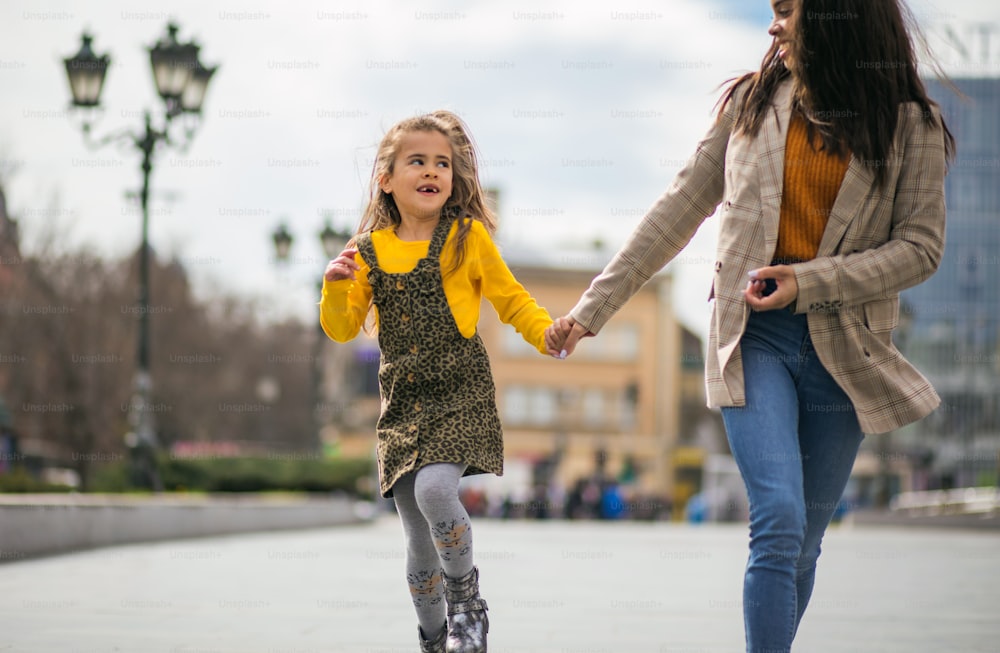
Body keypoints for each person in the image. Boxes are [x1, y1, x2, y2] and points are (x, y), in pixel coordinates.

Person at [545, 1, 955, 651]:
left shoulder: (911, 125)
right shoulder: (752, 104)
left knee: (806, 540)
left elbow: (921, 248)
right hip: (752, 338)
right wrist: (591, 310)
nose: (774, 25)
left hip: (846, 351)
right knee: (780, 518)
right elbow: (677, 208)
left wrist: (809, 280)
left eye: (788, 9)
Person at [319, 110, 554, 653]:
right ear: (387, 178)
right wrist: (334, 287)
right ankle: (433, 639)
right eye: (417, 161)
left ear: (453, 178)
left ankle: (468, 608)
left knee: (435, 489)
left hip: (459, 391)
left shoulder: (466, 237)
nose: (432, 171)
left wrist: (547, 334)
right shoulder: (368, 251)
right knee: (418, 546)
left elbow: (510, 297)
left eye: (442, 163)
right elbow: (341, 329)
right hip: (402, 403)